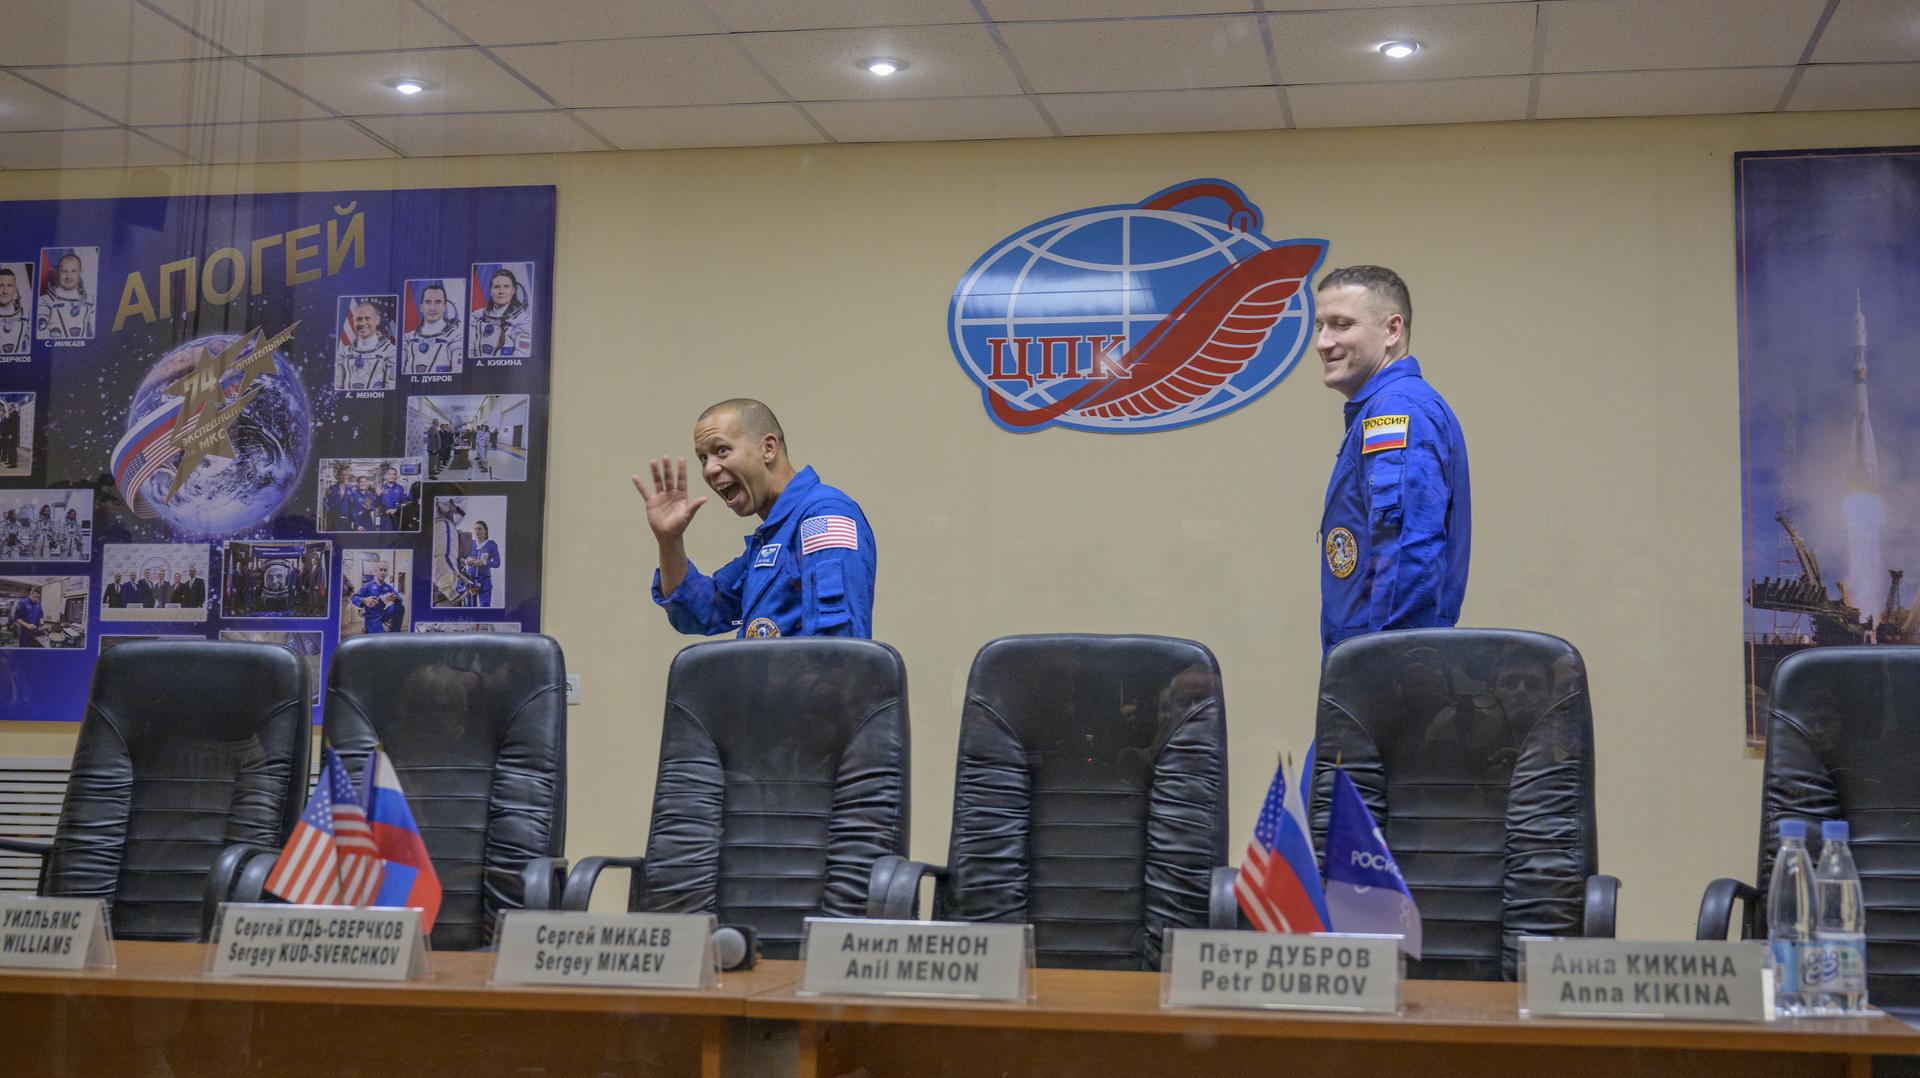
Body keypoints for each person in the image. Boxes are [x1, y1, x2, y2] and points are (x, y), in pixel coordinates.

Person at [1315, 265, 1470, 653]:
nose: (1323, 342)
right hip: (1368, 659)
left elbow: (1407, 550)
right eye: (1320, 326)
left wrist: (1388, 668)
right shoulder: (1377, 410)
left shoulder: (1395, 410)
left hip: (1386, 671)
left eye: (1341, 324)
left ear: (1392, 330)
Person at [632, 398, 876, 639]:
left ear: (768, 448)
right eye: (703, 458)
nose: (709, 469)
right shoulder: (773, 538)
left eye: (721, 451)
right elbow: (703, 611)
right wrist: (670, 541)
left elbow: (837, 650)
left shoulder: (823, 517)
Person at [470, 267, 531, 359]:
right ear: (490, 291)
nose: (501, 291)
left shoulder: (524, 321)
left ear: (513, 290)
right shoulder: (476, 316)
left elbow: (521, 357)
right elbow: (468, 351)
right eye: (496, 287)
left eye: (506, 286)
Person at [335, 300, 396, 390]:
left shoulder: (391, 352)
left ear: (377, 320)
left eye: (367, 318)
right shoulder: (343, 353)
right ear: (353, 321)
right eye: (359, 319)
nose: (363, 323)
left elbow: (391, 390)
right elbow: (337, 387)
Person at [406, 282, 462, 374]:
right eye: (428, 302)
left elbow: (457, 374)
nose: (432, 308)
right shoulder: (407, 339)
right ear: (421, 307)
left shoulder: (456, 337)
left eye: (438, 302)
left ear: (445, 307)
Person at [37, 252, 93, 339]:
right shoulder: (44, 301)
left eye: (73, 271)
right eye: (64, 271)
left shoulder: (91, 300)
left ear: (80, 272)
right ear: (58, 272)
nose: (69, 276)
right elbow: (40, 335)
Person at [460, 520, 500, 607]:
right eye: (475, 529)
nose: (477, 531)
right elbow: (460, 560)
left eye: (479, 529)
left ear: (485, 530)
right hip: (470, 581)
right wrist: (467, 561)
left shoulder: (491, 545)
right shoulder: (470, 543)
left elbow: (497, 563)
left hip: (485, 581)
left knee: (485, 606)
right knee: (470, 606)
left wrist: (484, 562)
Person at [351, 562, 397, 634]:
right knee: (380, 641)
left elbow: (399, 598)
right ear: (375, 572)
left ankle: (396, 632)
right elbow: (354, 598)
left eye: (385, 570)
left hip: (384, 614)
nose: (383, 572)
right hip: (372, 617)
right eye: (380, 570)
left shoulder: (388, 587)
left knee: (400, 607)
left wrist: (393, 599)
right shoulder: (368, 585)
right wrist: (364, 600)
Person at [0, 269, 28, 355]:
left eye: (9, 285)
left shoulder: (26, 315)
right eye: (1, 285)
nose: (5, 291)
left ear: (15, 289)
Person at [378, 466, 411, 531]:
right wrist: (385, 510)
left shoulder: (400, 488)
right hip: (385, 518)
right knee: (386, 537)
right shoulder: (381, 488)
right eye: (389, 474)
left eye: (394, 474)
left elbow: (405, 502)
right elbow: (377, 504)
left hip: (397, 517)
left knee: (397, 536)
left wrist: (396, 509)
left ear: (396, 477)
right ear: (386, 476)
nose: (391, 476)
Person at [322, 466, 354, 530]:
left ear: (347, 476)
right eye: (342, 474)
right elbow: (325, 502)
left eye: (345, 475)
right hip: (334, 520)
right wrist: (329, 515)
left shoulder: (350, 489)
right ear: (338, 475)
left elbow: (352, 505)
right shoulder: (332, 488)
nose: (344, 476)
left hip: (346, 520)